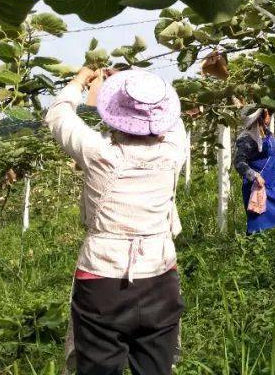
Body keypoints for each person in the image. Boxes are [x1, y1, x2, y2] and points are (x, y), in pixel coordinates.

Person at [46, 67, 188, 375]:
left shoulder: (98, 152)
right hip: (160, 276)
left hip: (101, 279)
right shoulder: (173, 153)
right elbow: (175, 122)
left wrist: (79, 82)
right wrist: (135, 83)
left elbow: (58, 116)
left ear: (116, 116)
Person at [233, 106, 275, 239]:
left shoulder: (266, 133)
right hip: (258, 186)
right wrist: (254, 175)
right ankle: (250, 253)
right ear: (260, 117)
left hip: (274, 183)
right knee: (256, 222)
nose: (270, 117)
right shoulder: (247, 139)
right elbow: (239, 162)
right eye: (268, 115)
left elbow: (265, 155)